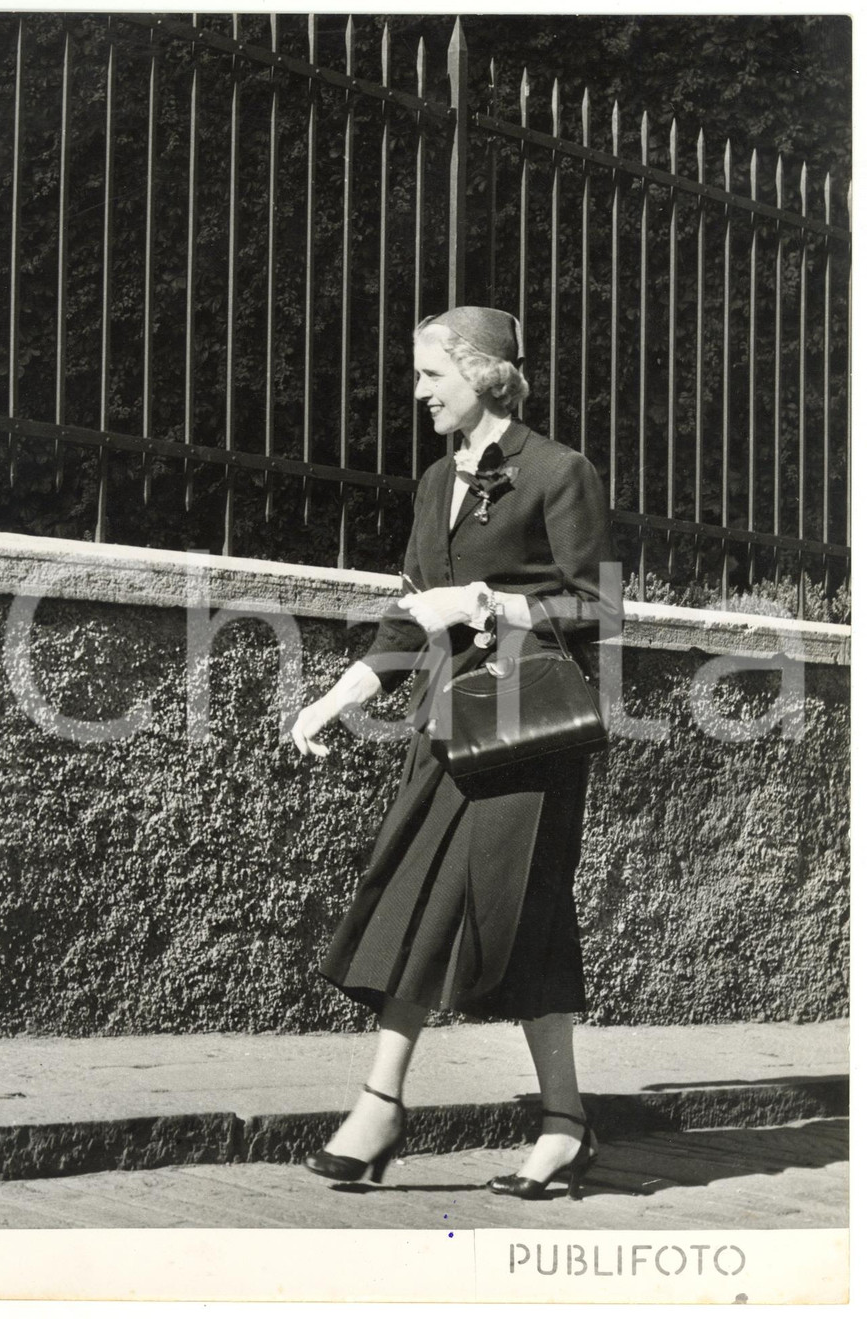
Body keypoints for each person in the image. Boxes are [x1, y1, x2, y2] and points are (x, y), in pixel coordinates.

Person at [290, 306, 623, 1200]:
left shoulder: (559, 472)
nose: (419, 391)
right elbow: (408, 613)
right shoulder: (439, 477)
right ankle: (387, 1104)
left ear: (482, 374)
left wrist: (488, 604)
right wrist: (339, 695)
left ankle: (555, 1123)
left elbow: (602, 610)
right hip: (447, 727)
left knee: (525, 919)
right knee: (413, 897)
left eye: (432, 373)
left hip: (525, 735)